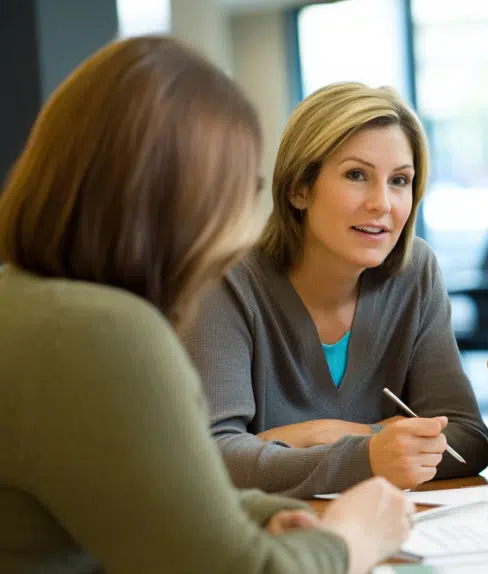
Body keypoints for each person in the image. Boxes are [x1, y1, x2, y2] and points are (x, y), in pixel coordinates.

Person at [0, 36, 415, 574]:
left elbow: (140, 489)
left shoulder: (28, 303)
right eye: (237, 190)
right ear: (178, 197)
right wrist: (350, 538)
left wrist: (260, 513)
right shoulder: (102, 332)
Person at [183, 82, 488, 499]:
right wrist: (367, 455)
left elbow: (466, 439)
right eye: (357, 175)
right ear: (299, 189)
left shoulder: (416, 271)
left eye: (399, 180)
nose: (382, 203)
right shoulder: (227, 280)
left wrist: (327, 434)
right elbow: (212, 458)